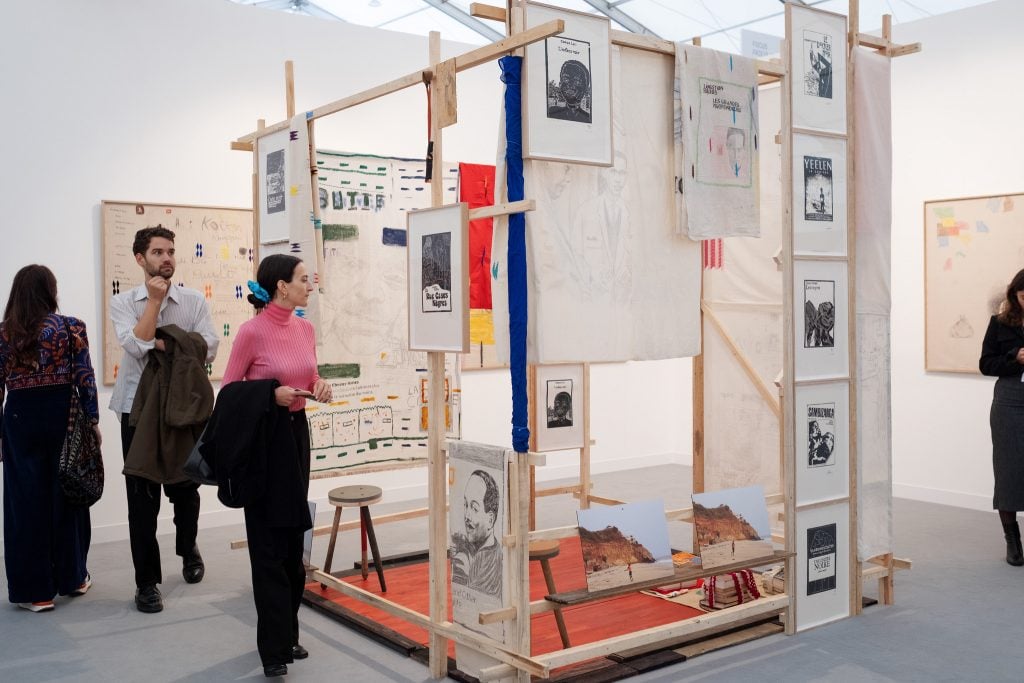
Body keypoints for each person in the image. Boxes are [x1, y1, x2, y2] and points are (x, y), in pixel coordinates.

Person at [221, 254, 331, 678]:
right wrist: (270, 395)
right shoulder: (251, 332)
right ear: (282, 287)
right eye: (304, 279)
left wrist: (318, 386)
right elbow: (229, 393)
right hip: (263, 441)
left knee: (291, 540)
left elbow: (310, 374)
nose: (310, 285)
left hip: (296, 436)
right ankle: (272, 648)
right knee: (267, 543)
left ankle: (288, 633)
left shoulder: (305, 327)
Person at [109, 225, 218, 613]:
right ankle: (147, 583)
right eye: (157, 252)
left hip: (182, 409)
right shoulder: (124, 303)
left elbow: (210, 347)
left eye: (170, 251)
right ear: (141, 259)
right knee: (142, 502)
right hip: (135, 411)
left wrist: (165, 341)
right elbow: (136, 346)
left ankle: (187, 546)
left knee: (186, 492)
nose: (166, 258)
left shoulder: (191, 299)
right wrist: (155, 306)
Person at [0, 265, 98, 612]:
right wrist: (94, 421)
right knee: (68, 495)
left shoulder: (4, 334)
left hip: (19, 418)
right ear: (50, 290)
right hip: (64, 415)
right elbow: (84, 377)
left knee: (24, 503)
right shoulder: (71, 327)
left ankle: (35, 592)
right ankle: (73, 578)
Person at [979, 268, 1024, 566]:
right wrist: (1014, 358)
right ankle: (1012, 540)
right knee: (1008, 471)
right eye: (1023, 296)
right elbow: (985, 364)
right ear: (1014, 295)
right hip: (1009, 402)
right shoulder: (1000, 323)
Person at [451, 469, 502, 597]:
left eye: (474, 508)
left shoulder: (490, 564)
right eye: (465, 505)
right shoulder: (467, 553)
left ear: (490, 519)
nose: (467, 515)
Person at [547, 59, 592, 123]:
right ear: (560, 84)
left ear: (585, 89)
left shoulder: (588, 119)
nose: (570, 85)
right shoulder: (552, 112)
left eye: (577, 81)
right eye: (566, 79)